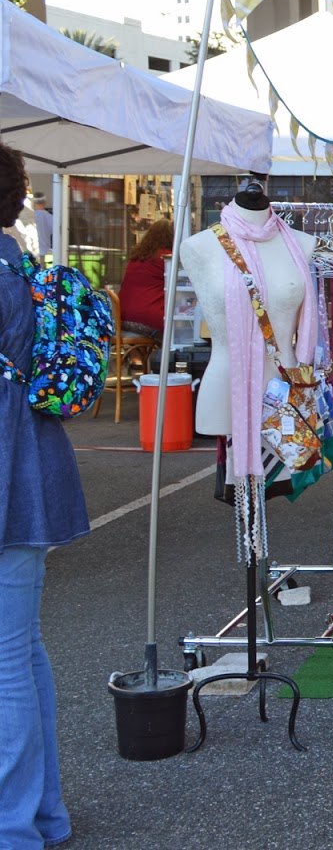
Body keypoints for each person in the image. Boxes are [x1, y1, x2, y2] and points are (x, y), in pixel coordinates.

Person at [0, 139, 88, 849]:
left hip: (11, 472)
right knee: (20, 651)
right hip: (30, 471)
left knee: (8, 661)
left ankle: (14, 826)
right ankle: (41, 815)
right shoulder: (20, 266)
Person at [118, 220, 174, 340]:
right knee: (181, 332)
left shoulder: (136, 258)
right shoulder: (167, 259)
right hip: (150, 319)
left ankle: (140, 354)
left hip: (122, 318)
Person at [29, 194, 51, 261]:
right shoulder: (50, 217)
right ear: (45, 203)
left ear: (33, 203)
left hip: (31, 251)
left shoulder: (29, 217)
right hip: (45, 251)